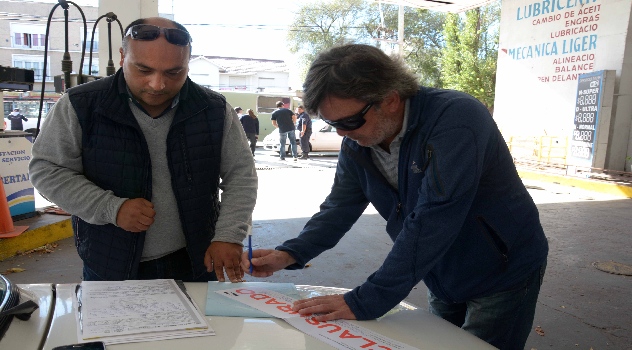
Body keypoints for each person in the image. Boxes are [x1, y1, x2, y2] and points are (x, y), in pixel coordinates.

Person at [242, 44, 548, 350]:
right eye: (331, 124)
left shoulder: (457, 118)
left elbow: (434, 219)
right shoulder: (358, 142)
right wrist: (291, 253)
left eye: (349, 122)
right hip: (438, 269)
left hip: (501, 269)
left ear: (390, 99)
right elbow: (339, 208)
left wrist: (367, 300)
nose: (341, 134)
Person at [29, 17, 258, 283]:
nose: (157, 84)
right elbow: (47, 169)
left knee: (196, 326)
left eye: (174, 72)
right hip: (109, 262)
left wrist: (229, 235)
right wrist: (110, 207)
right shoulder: (81, 105)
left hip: (195, 259)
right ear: (123, 55)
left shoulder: (214, 109)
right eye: (143, 70)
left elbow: (241, 176)